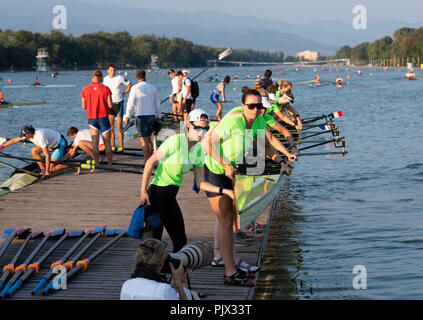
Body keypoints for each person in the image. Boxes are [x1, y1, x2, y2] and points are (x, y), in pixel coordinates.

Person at [201, 89, 288, 286]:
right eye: (251, 106)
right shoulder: (234, 120)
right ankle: (230, 273)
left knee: (230, 219)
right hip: (215, 169)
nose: (256, 110)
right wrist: (224, 164)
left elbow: (265, 146)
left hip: (232, 170)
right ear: (243, 106)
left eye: (259, 106)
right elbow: (206, 144)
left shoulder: (258, 121)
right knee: (226, 220)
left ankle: (233, 261)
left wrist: (281, 161)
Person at [139, 109, 234, 253]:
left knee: (180, 241)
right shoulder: (175, 141)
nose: (201, 132)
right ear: (189, 124)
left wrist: (225, 190)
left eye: (205, 128)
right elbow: (149, 162)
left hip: (171, 197)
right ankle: (155, 273)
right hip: (156, 195)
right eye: (198, 128)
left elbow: (200, 183)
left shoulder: (199, 150)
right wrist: (142, 192)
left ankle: (174, 272)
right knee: (154, 243)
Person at [120, 239, 188, 300]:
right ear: (161, 263)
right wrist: (179, 284)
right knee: (188, 292)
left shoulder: (126, 285)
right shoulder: (164, 291)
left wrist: (172, 285)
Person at [124, 70, 161, 164]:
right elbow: (157, 104)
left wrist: (127, 115)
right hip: (152, 115)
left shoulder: (135, 88)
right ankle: (151, 161)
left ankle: (146, 162)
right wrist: (159, 115)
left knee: (144, 141)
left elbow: (130, 103)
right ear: (145, 77)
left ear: (137, 78)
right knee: (149, 139)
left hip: (141, 116)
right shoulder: (153, 88)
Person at [0, 125, 68, 176]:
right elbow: (14, 140)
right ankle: (43, 169)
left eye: (24, 135)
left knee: (51, 169)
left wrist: (48, 171)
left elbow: (47, 155)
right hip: (50, 143)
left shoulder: (40, 137)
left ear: (29, 133)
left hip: (60, 144)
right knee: (34, 151)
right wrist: (2, 146)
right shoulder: (28, 134)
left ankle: (73, 165)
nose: (23, 136)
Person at [80, 70, 113, 170]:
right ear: (101, 78)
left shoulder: (85, 89)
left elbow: (83, 106)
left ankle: (97, 165)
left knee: (95, 143)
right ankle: (110, 165)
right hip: (103, 118)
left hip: (92, 119)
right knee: (107, 142)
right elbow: (110, 105)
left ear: (92, 78)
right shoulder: (106, 88)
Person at [103, 64, 132, 152]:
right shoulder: (105, 79)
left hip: (118, 103)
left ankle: (121, 146)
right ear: (108, 71)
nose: (112, 72)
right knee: (111, 127)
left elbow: (130, 85)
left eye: (114, 70)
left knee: (119, 127)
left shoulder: (120, 78)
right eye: (111, 70)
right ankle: (112, 145)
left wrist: (123, 93)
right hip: (110, 105)